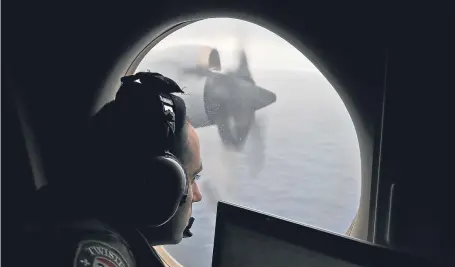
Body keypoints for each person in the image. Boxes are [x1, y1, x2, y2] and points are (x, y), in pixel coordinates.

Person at [27, 72, 203, 267]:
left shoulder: (70, 216)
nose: (197, 195)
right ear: (158, 184)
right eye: (193, 177)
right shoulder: (97, 250)